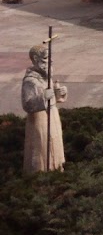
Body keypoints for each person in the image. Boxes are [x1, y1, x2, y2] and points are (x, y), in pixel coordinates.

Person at [22, 44, 67, 173]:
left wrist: (58, 94)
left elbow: (52, 97)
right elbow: (27, 104)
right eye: (47, 57)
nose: (51, 60)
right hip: (39, 120)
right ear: (36, 59)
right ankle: (41, 175)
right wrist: (43, 97)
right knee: (42, 149)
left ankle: (57, 171)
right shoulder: (31, 81)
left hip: (52, 116)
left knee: (55, 145)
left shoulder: (46, 76)